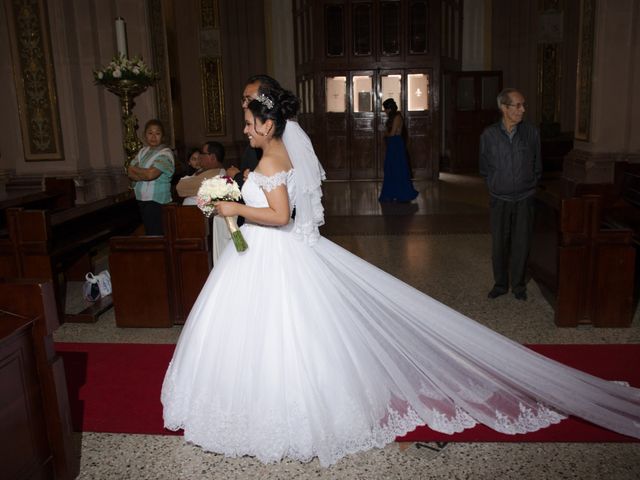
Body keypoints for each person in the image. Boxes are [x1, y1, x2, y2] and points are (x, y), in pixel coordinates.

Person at [161, 86, 640, 468]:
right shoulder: (277, 153)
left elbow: (281, 214)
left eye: (249, 123)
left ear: (268, 124)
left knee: (281, 332)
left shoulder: (270, 159)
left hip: (272, 249)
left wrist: (230, 205)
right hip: (267, 254)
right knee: (282, 332)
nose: (245, 130)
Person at [479, 88, 542, 301]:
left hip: (525, 197)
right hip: (499, 198)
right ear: (504, 108)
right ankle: (500, 284)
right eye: (518, 105)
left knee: (521, 243)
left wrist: (530, 184)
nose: (523, 109)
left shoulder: (531, 133)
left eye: (523, 105)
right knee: (499, 244)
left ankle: (518, 286)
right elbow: (484, 167)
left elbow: (537, 165)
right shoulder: (489, 135)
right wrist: (496, 185)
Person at [127, 119, 174, 235]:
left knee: (156, 235)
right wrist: (140, 172)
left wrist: (136, 171)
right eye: (150, 133)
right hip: (142, 199)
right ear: (145, 135)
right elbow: (129, 171)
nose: (153, 137)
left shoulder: (166, 153)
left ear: (162, 136)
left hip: (157, 201)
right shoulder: (143, 151)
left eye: (157, 133)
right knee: (149, 233)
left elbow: (151, 174)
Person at [378, 98, 418, 203]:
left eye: (385, 109)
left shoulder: (397, 117)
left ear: (390, 109)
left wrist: (384, 131)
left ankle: (400, 193)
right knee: (390, 168)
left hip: (396, 144)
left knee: (397, 168)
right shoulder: (393, 117)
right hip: (393, 144)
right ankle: (393, 193)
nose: (385, 111)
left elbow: (392, 134)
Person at [176, 141, 226, 206]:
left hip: (196, 214)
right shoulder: (205, 170)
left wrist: (187, 181)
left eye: (202, 153)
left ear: (212, 157)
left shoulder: (215, 175)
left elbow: (180, 188)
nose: (200, 157)